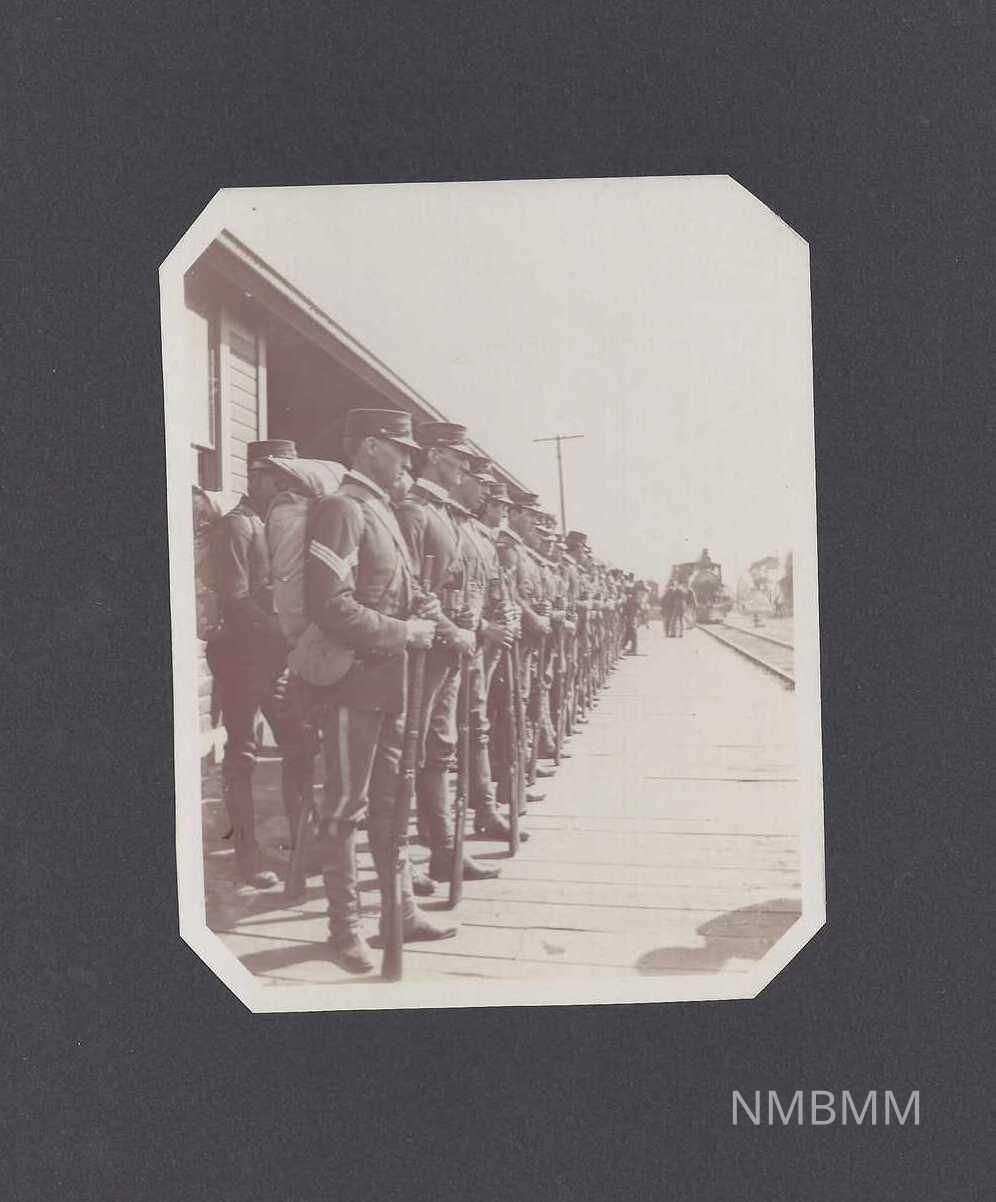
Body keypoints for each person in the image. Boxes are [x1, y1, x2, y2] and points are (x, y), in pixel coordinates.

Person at [303, 409, 457, 974]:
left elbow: (390, 591)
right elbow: (330, 604)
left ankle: (400, 913)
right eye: (400, 449)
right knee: (346, 808)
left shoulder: (382, 510)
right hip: (353, 683)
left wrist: (422, 608)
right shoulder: (342, 508)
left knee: (393, 805)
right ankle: (344, 930)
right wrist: (402, 631)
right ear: (369, 447)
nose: (408, 461)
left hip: (393, 684)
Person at [396, 422, 501, 884]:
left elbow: (460, 583)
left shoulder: (444, 513)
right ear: (435, 455)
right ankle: (398, 862)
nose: (463, 468)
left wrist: (468, 626)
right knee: (407, 753)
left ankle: (443, 851)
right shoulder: (414, 511)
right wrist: (449, 628)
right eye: (458, 458)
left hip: (450, 650)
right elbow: (410, 586)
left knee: (440, 748)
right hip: (422, 650)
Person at [208, 439, 301, 889]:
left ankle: (302, 848)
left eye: (288, 478)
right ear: (256, 477)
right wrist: (283, 631)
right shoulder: (237, 525)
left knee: (298, 745)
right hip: (241, 658)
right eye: (278, 477)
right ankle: (246, 858)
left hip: (273, 659)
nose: (285, 487)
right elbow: (236, 599)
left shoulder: (273, 523)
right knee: (242, 757)